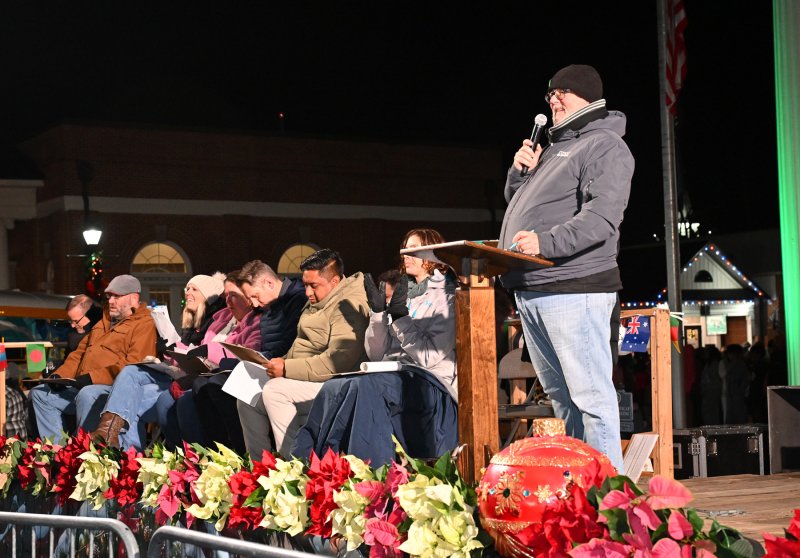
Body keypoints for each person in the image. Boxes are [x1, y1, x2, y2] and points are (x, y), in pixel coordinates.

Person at [498, 64, 634, 472]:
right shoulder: (555, 148)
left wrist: (546, 243)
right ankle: (580, 486)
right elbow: (527, 207)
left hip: (574, 288)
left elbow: (601, 218)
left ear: (588, 96)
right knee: (562, 398)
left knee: (590, 398)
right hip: (534, 288)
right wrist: (519, 174)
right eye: (550, 94)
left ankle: (609, 494)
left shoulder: (604, 146)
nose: (553, 99)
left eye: (563, 92)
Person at [293, 229, 458, 465]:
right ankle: (315, 464)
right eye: (404, 249)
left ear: (433, 255)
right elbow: (378, 353)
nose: (406, 255)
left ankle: (372, 469)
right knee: (334, 386)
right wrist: (379, 314)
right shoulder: (404, 293)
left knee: (365, 387)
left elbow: (430, 357)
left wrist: (401, 319)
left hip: (432, 382)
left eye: (414, 249)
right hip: (397, 374)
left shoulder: (447, 296)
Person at [237, 248, 370, 457]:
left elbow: (338, 362)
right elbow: (302, 346)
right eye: (305, 284)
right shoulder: (320, 299)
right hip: (308, 378)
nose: (307, 292)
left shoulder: (349, 305)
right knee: (246, 392)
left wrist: (287, 368)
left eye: (313, 285)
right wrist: (279, 362)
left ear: (334, 281)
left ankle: (293, 463)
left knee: (275, 391)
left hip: (337, 385)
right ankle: (260, 465)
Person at [171, 262, 306, 454]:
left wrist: (236, 361)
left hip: (282, 368)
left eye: (254, 296)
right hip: (266, 364)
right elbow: (271, 346)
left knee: (224, 387)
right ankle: (231, 456)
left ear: (268, 283)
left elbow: (285, 345)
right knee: (205, 389)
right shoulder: (266, 308)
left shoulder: (295, 301)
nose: (255, 304)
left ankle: (243, 455)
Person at [91, 273, 226, 449]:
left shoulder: (214, 323)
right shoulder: (193, 324)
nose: (187, 292)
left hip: (191, 381)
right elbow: (183, 356)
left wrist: (174, 350)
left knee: (130, 392)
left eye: (194, 289)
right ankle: (117, 447)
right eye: (187, 288)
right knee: (131, 376)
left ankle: (115, 443)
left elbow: (208, 356)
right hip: (178, 375)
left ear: (207, 295)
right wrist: (168, 350)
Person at [30, 275, 158, 444]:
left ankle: (86, 451)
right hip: (82, 385)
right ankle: (57, 450)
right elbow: (79, 354)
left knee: (88, 394)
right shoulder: (104, 320)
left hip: (111, 392)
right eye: (109, 296)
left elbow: (133, 367)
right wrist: (59, 376)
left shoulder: (144, 324)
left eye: (116, 297)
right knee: (40, 394)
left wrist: (91, 378)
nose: (110, 301)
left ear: (133, 298)